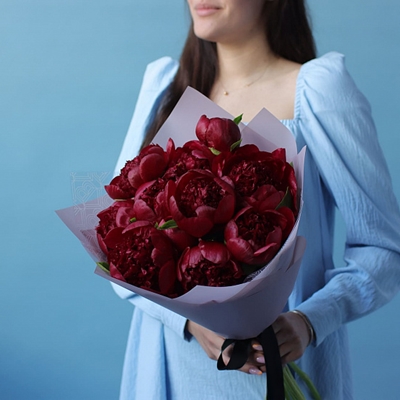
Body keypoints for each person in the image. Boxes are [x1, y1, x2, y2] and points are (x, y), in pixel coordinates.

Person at [112, 1, 400, 399]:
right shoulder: (164, 86)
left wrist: (309, 321)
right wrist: (191, 323)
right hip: (172, 364)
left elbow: (383, 246)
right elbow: (118, 240)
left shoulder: (317, 89)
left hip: (278, 363)